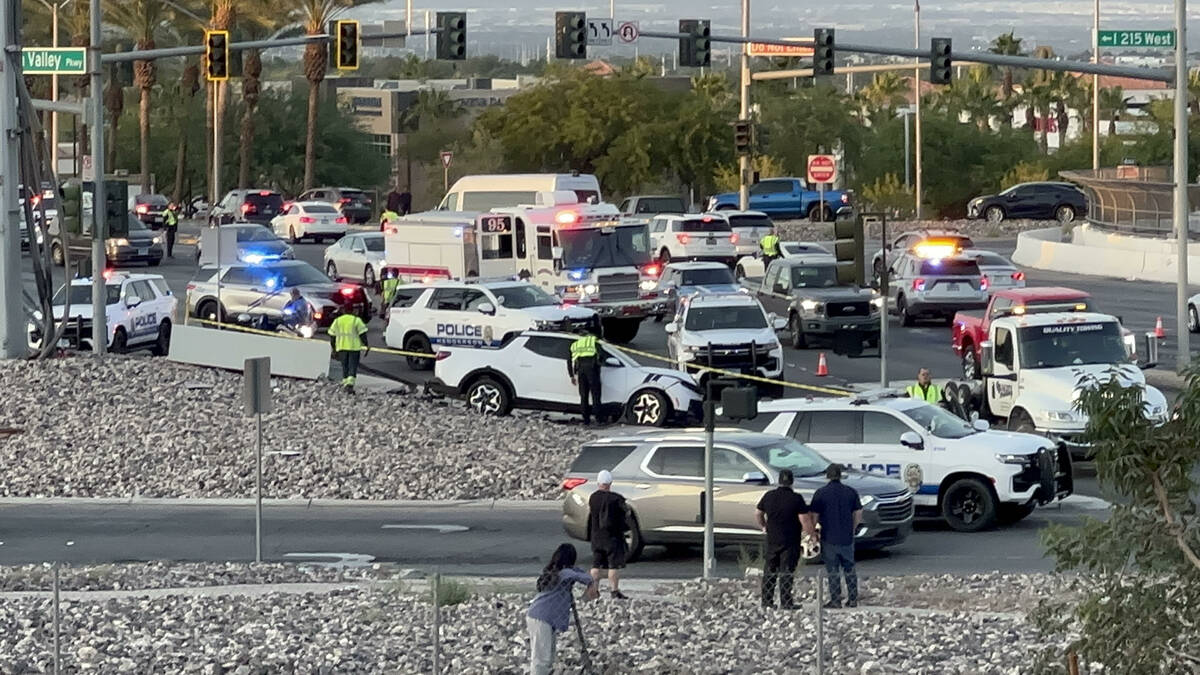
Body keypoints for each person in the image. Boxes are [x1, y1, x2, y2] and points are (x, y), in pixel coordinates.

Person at [526, 543, 599, 675]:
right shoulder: (564, 574)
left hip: (539, 616)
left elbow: (577, 572)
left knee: (548, 653)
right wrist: (592, 583)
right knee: (541, 657)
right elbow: (583, 577)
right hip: (541, 617)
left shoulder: (555, 572)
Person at [755, 468, 813, 609]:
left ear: (779, 481)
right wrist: (811, 535)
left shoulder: (769, 496)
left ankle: (767, 602)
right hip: (790, 540)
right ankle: (786, 602)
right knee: (786, 571)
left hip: (772, 538)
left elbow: (758, 513)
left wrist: (764, 526)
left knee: (769, 570)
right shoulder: (796, 499)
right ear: (792, 482)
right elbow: (804, 520)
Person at [809, 464, 862, 609]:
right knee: (849, 568)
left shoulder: (821, 493)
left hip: (829, 537)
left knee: (833, 570)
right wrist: (853, 527)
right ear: (840, 475)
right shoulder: (851, 492)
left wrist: (813, 532)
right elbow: (858, 513)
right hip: (846, 537)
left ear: (827, 476)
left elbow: (814, 515)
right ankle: (852, 599)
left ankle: (836, 599)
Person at [587, 470, 630, 600]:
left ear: (598, 483)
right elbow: (626, 513)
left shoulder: (593, 498)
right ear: (610, 483)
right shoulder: (616, 498)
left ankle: (594, 590)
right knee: (613, 565)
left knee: (596, 564)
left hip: (596, 536)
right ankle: (614, 591)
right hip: (612, 537)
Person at [568, 325, 603, 426]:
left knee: (583, 396)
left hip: (581, 371)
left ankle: (586, 419)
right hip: (592, 369)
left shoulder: (575, 344)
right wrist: (600, 364)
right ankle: (598, 418)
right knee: (596, 395)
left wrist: (571, 375)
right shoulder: (592, 341)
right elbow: (601, 355)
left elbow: (569, 360)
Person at [327, 308, 368, 390]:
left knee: (344, 365)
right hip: (354, 348)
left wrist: (334, 348)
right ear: (352, 311)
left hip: (341, 347)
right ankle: (350, 385)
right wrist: (366, 345)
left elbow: (332, 336)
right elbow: (362, 334)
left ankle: (345, 382)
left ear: (343, 311)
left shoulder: (337, 321)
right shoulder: (356, 320)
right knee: (352, 366)